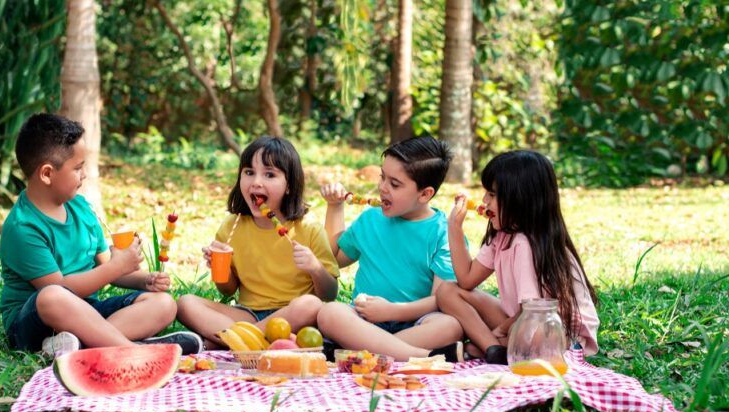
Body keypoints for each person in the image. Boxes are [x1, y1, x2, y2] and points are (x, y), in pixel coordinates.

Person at [0, 113, 202, 356]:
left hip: (86, 311)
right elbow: (61, 288)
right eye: (77, 167)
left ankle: (80, 346)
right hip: (34, 323)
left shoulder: (81, 208)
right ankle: (133, 351)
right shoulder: (23, 227)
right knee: (51, 296)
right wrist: (116, 267)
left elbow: (106, 265)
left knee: (164, 304)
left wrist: (143, 280)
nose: (84, 174)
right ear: (47, 174)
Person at [436, 150, 599, 364]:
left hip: (557, 332)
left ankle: (488, 346)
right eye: (486, 193)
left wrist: (499, 329)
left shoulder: (525, 243)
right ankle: (494, 349)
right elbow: (466, 280)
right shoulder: (503, 235)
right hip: (523, 320)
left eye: (492, 195)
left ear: (520, 199)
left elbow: (531, 311)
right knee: (447, 291)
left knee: (531, 333)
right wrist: (454, 227)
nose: (485, 201)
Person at [177, 136, 339, 348]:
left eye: (269, 174)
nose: (256, 182)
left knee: (311, 304)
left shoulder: (308, 229)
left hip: (292, 318)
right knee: (185, 303)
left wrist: (315, 268)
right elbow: (227, 290)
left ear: (289, 186)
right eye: (249, 172)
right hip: (248, 315)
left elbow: (329, 293)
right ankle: (251, 340)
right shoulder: (231, 226)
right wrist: (220, 267)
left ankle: (230, 341)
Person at [317, 135, 464, 362]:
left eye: (394, 184)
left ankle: (357, 350)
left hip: (416, 321)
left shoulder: (444, 233)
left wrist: (393, 311)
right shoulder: (370, 220)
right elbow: (334, 258)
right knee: (330, 313)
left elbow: (441, 299)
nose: (382, 188)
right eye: (383, 177)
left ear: (425, 194)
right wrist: (335, 207)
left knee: (450, 326)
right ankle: (424, 356)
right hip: (363, 319)